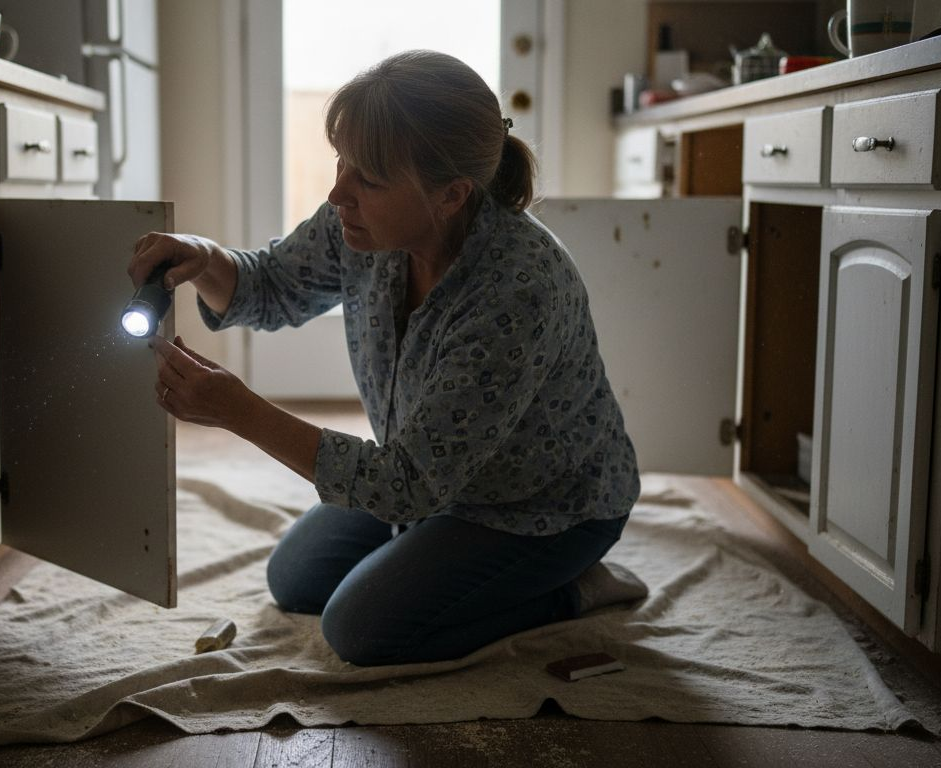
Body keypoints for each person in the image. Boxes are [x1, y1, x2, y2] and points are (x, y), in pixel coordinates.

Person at [129, 50, 643, 668]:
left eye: (368, 179)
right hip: (434, 479)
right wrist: (204, 256)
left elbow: (408, 485)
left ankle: (572, 589)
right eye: (341, 162)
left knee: (362, 631)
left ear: (451, 195)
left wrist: (240, 412)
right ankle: (439, 559)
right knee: (297, 579)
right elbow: (270, 285)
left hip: (542, 508)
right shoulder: (361, 226)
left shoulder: (517, 288)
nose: (337, 193)